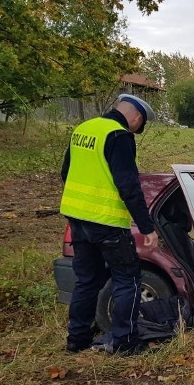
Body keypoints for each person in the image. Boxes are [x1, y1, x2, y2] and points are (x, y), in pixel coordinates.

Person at [59, 94, 159, 355]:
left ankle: (77, 339)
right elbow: (129, 186)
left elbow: (65, 172)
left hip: (77, 219)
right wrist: (147, 227)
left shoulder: (84, 129)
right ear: (136, 118)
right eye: (139, 125)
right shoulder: (119, 135)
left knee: (86, 280)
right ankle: (126, 343)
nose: (136, 130)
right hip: (107, 222)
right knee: (127, 280)